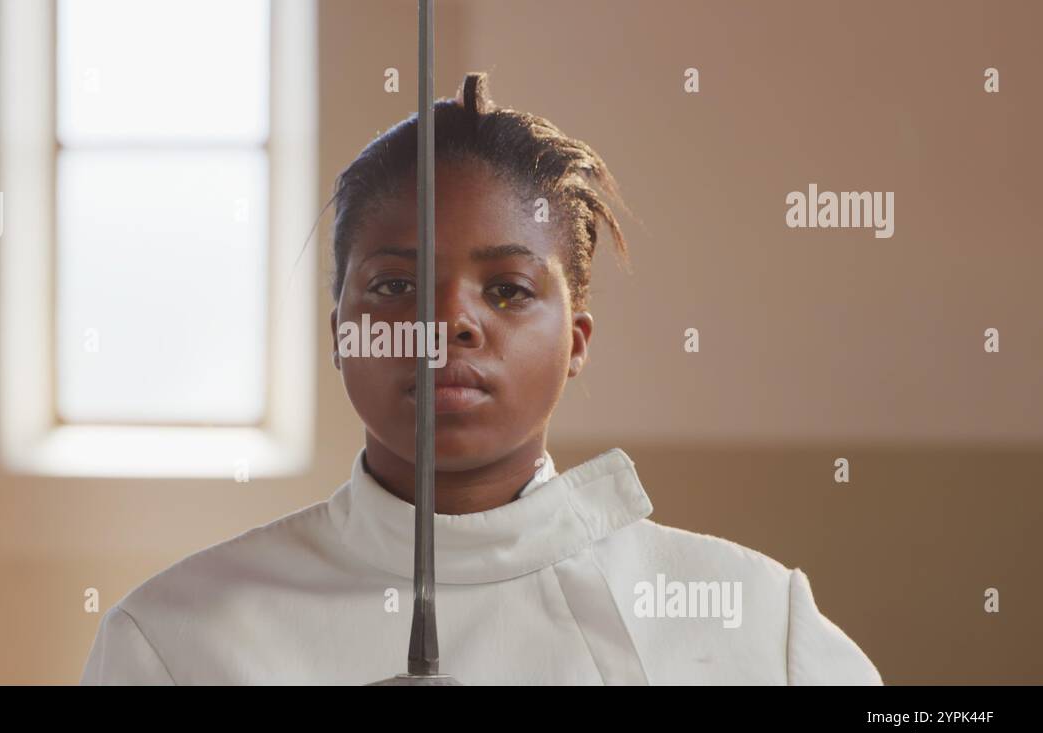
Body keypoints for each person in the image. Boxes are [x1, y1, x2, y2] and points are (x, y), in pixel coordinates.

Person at [80, 72, 882, 685]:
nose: (451, 323)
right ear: (339, 334)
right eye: (395, 286)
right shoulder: (175, 639)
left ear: (576, 340)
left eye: (508, 290)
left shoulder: (754, 617)